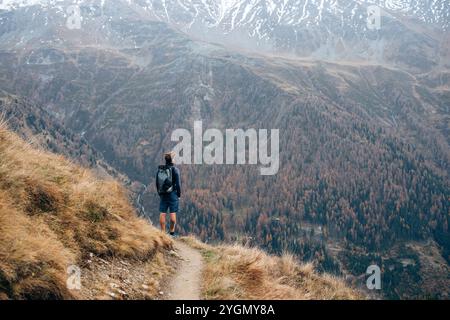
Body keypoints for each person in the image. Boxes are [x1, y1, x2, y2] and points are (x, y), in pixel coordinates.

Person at [156, 151, 181, 237]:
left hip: (163, 193)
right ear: (172, 160)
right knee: (172, 214)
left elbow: (157, 182)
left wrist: (160, 193)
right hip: (172, 194)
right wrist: (179, 195)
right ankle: (171, 233)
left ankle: (162, 233)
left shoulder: (161, 169)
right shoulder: (175, 170)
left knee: (162, 213)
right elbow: (178, 184)